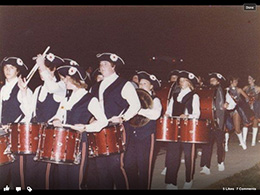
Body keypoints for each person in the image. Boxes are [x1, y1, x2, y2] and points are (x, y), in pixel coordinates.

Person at [51, 60, 108, 189]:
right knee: (61, 179)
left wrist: (86, 128)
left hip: (79, 142)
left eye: (66, 79)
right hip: (63, 143)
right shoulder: (66, 98)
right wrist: (56, 120)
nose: (64, 81)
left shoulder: (90, 99)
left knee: (75, 180)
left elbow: (103, 121)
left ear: (76, 80)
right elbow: (58, 115)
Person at [90, 52, 141, 189]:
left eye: (105, 64)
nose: (102, 67)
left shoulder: (124, 84)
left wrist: (123, 117)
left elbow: (136, 105)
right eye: (100, 64)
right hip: (100, 129)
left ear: (113, 66)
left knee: (117, 166)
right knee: (101, 167)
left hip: (118, 129)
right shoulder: (95, 86)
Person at [25, 53, 66, 190]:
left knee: (47, 176)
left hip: (51, 137)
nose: (41, 71)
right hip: (36, 137)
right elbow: (29, 112)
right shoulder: (37, 90)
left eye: (46, 68)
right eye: (40, 69)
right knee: (31, 173)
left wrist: (41, 64)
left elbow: (52, 87)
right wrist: (24, 92)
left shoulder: (61, 86)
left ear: (54, 69)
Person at [124, 71, 162, 189]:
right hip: (131, 134)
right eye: (140, 84)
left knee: (144, 166)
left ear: (151, 86)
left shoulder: (155, 100)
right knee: (128, 164)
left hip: (146, 135)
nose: (141, 86)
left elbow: (155, 114)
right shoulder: (133, 98)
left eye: (145, 83)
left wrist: (137, 110)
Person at [0, 57, 32, 189]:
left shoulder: (24, 89)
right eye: (6, 67)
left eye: (11, 68)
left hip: (17, 137)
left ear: (18, 71)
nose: (7, 70)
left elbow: (29, 114)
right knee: (2, 171)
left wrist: (13, 127)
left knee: (17, 174)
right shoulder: (2, 89)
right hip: (2, 136)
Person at [164, 70, 200, 189]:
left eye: (184, 81)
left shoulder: (194, 96)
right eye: (180, 81)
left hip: (188, 128)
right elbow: (169, 110)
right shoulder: (175, 95)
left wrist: (187, 116)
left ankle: (188, 179)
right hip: (175, 127)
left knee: (189, 154)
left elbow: (197, 114)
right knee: (172, 154)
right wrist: (167, 114)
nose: (181, 82)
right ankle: (171, 182)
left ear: (189, 83)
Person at [200, 73, 226, 175]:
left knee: (220, 144)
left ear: (218, 81)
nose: (212, 82)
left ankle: (220, 162)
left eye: (214, 80)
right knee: (207, 144)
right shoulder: (207, 92)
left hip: (219, 122)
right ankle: (206, 166)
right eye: (210, 80)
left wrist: (227, 105)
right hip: (209, 121)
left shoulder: (223, 91)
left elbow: (230, 104)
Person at [224, 76, 253, 150]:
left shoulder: (239, 90)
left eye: (237, 81)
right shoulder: (226, 90)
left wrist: (245, 102)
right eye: (234, 81)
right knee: (226, 128)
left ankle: (242, 142)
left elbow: (247, 97)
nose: (236, 83)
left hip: (236, 109)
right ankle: (226, 144)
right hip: (226, 110)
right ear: (230, 82)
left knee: (237, 128)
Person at [242, 74, 260, 146]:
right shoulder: (246, 87)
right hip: (247, 106)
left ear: (254, 80)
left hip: (255, 105)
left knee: (255, 120)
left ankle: (253, 141)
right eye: (248, 78)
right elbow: (239, 92)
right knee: (245, 122)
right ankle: (243, 140)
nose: (248, 79)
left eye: (250, 78)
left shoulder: (258, 88)